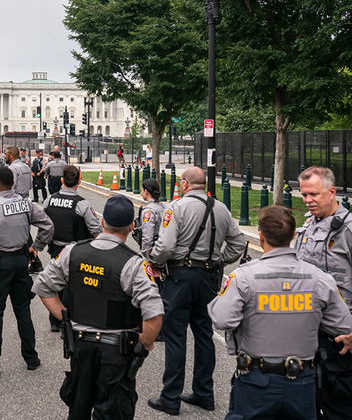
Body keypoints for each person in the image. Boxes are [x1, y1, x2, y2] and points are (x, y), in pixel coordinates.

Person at [209, 205, 352, 420]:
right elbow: (344, 325)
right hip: (302, 383)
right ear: (294, 236)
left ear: (261, 236)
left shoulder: (243, 277)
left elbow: (221, 319)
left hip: (256, 382)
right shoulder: (321, 279)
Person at [33, 194, 163, 419]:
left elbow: (43, 286)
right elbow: (153, 314)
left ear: (102, 222)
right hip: (116, 352)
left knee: (78, 408)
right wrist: (146, 342)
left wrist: (66, 317)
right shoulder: (134, 264)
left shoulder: (73, 252)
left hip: (80, 347)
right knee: (112, 411)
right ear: (132, 227)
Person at [147, 166, 246, 415]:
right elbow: (238, 243)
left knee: (175, 335)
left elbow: (166, 246)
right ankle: (204, 392)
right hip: (209, 277)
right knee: (204, 333)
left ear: (183, 184)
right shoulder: (221, 208)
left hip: (180, 276)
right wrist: (220, 259)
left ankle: (170, 397)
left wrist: (154, 261)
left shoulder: (176, 207)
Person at [0, 167, 54, 376]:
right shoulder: (25, 203)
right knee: (23, 311)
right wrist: (36, 247)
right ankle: (31, 358)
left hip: (0, 265)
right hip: (21, 262)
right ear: (13, 183)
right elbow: (48, 226)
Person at [295, 166, 352, 419]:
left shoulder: (348, 229)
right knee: (308, 401)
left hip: (340, 338)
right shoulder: (309, 225)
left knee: (338, 405)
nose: (308, 200)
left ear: (332, 192)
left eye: (314, 194)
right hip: (309, 332)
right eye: (304, 194)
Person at [42, 165, 102, 332]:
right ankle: (68, 321)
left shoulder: (49, 200)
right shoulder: (82, 204)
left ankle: (55, 320)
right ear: (79, 181)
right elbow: (96, 230)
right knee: (72, 286)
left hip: (55, 249)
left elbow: (44, 224)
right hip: (76, 251)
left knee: (56, 282)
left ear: (62, 180)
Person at [138, 178, 165, 257]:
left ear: (146, 191)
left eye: (142, 190)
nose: (141, 193)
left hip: (154, 251)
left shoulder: (148, 212)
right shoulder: (164, 207)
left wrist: (144, 255)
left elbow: (147, 237)